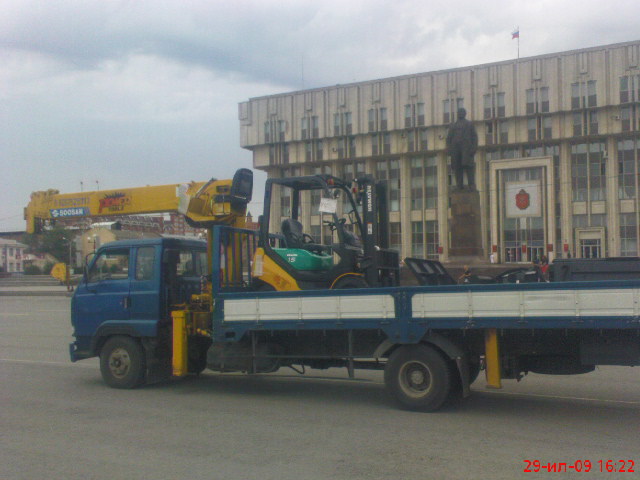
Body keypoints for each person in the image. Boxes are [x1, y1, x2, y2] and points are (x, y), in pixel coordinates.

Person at [446, 108, 478, 190]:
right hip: (455, 150)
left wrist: (474, 148)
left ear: (465, 113)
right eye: (459, 112)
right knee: (457, 168)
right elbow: (449, 138)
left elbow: (474, 137)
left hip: (466, 149)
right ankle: (459, 185)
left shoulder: (469, 124)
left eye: (462, 112)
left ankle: (471, 185)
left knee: (469, 167)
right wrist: (449, 150)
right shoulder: (452, 125)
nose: (460, 113)